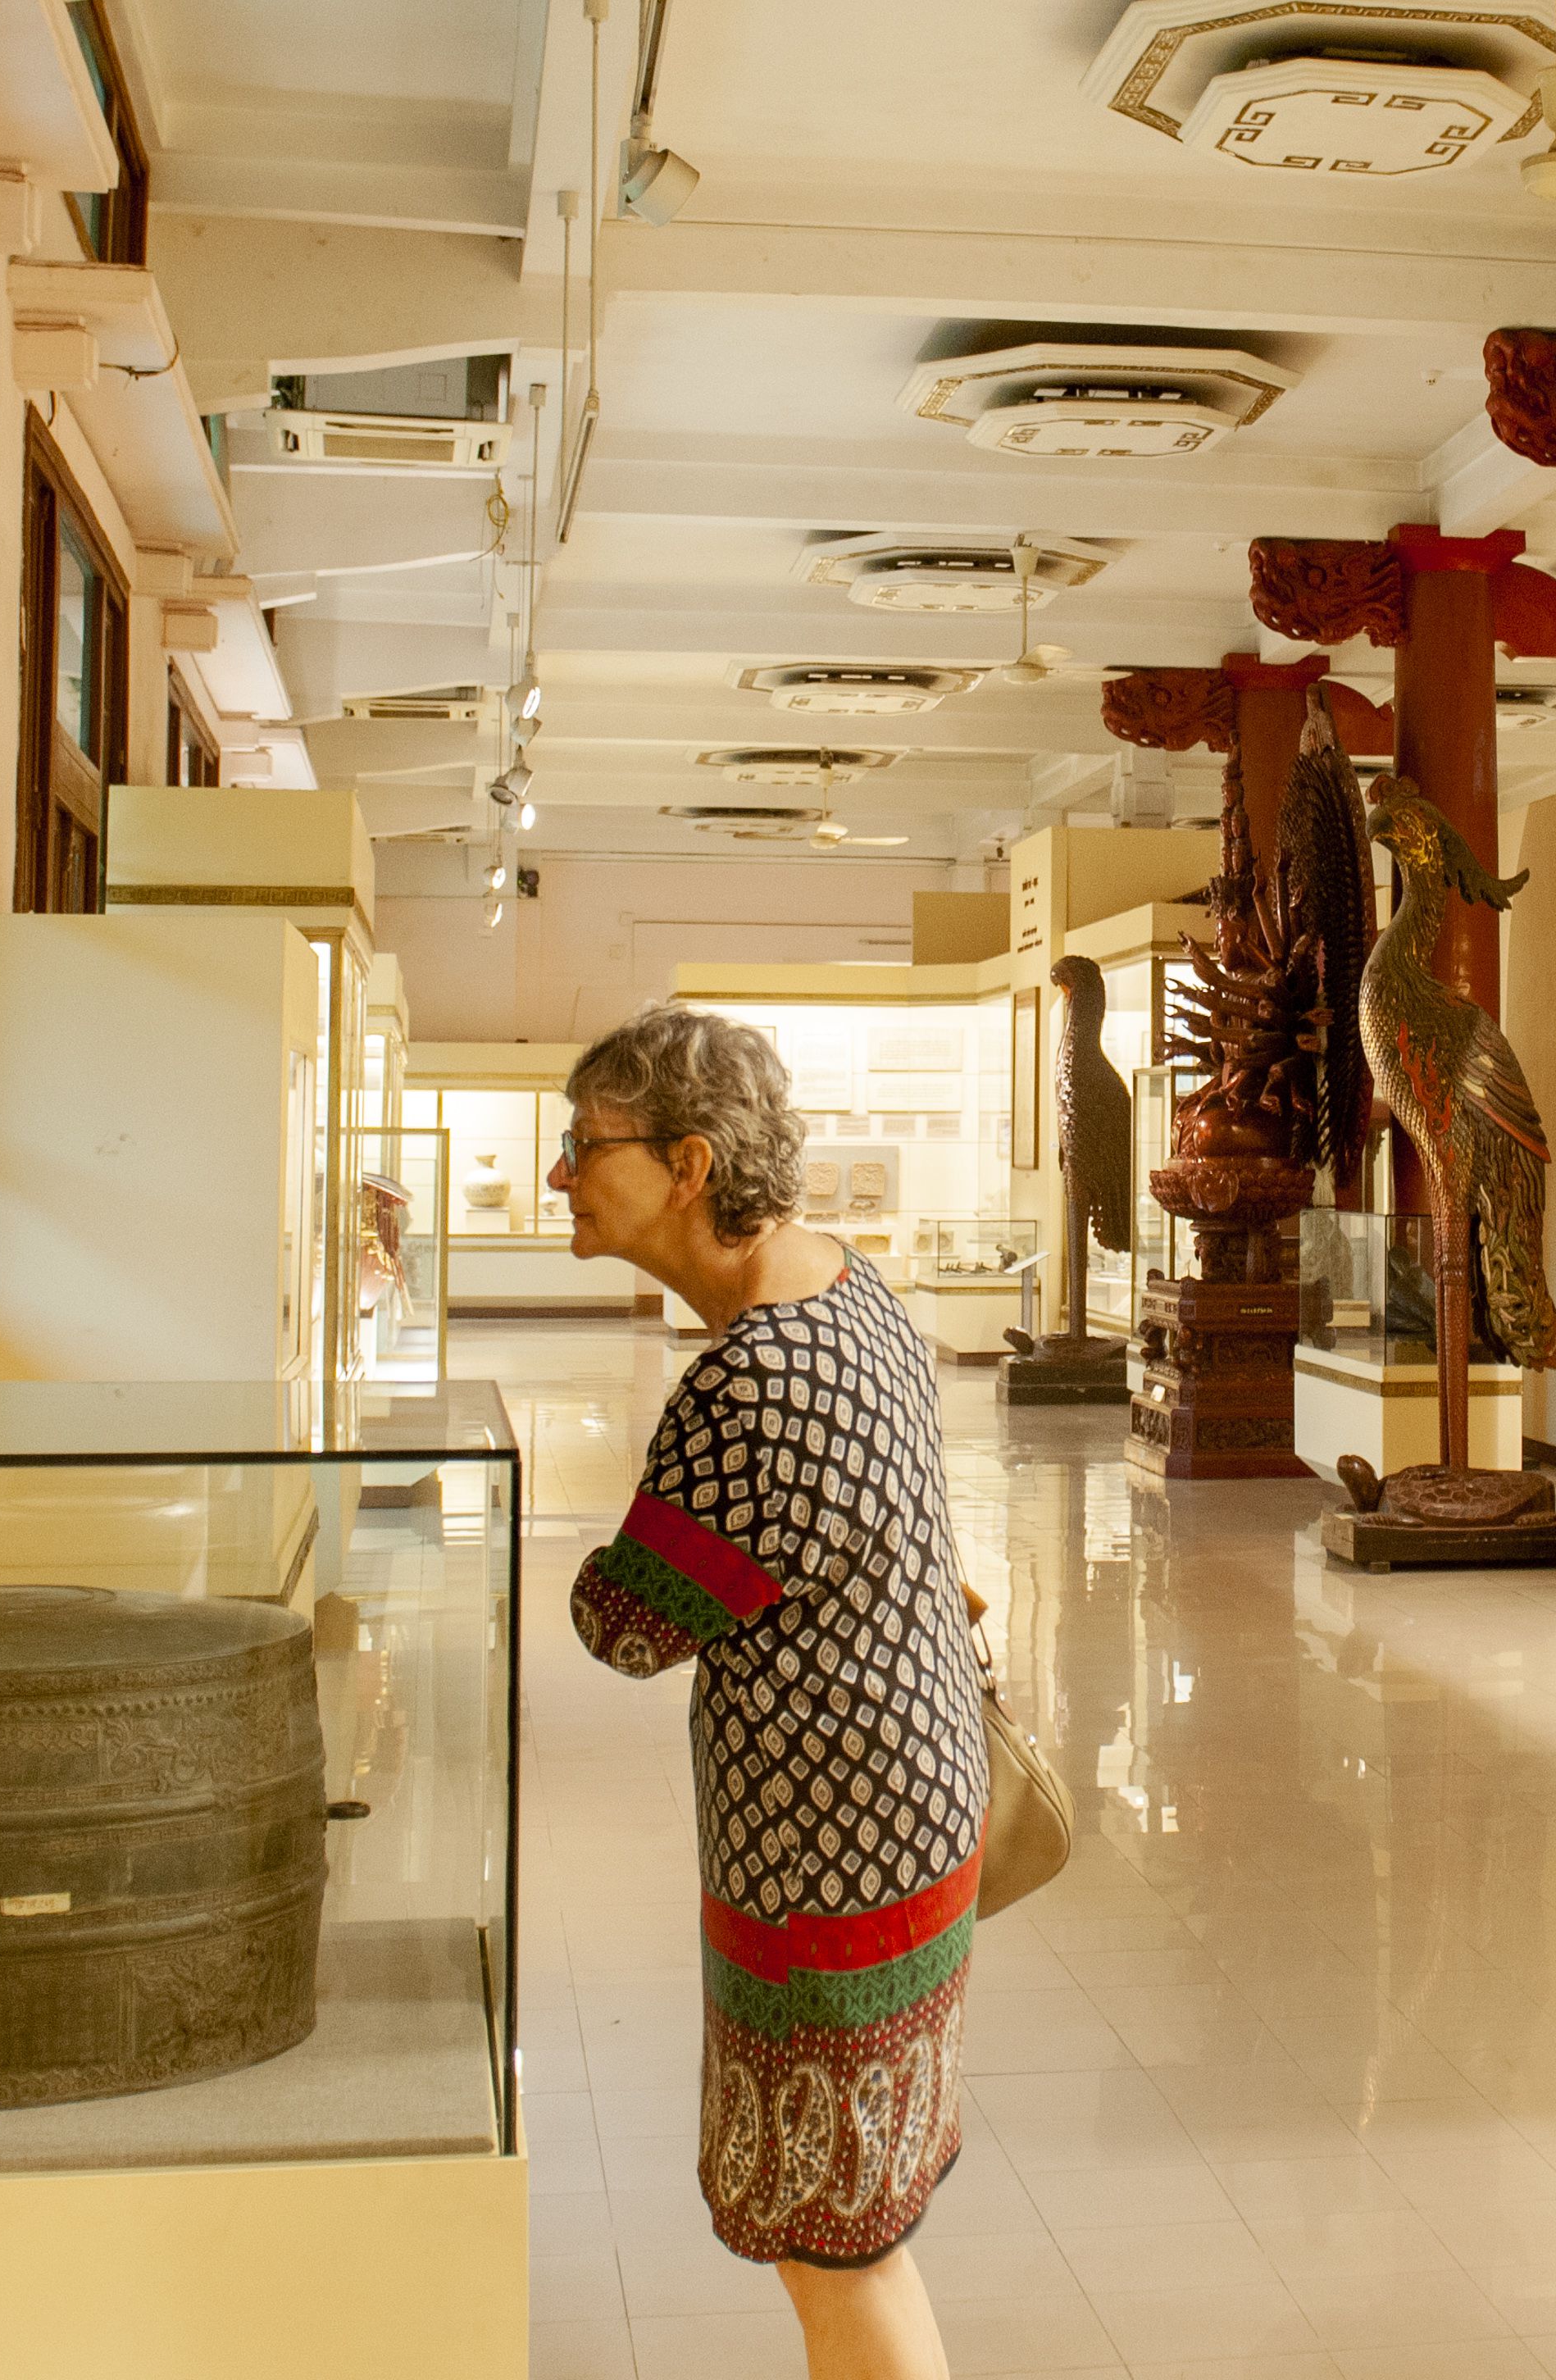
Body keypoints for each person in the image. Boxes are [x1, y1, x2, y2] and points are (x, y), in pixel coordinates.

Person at [550, 1007, 988, 2380]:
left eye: (586, 1146)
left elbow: (625, 1625)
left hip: (825, 1866)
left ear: (687, 1165)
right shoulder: (850, 1289)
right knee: (859, 2225)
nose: (562, 1173)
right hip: (912, 1806)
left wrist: (601, 1564)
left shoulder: (750, 1386)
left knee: (833, 2242)